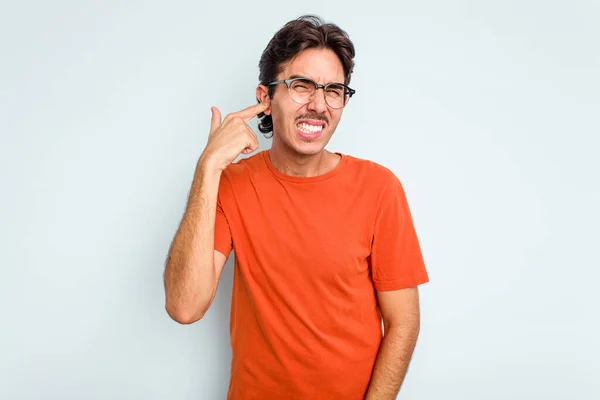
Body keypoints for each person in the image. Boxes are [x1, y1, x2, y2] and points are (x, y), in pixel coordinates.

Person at [163, 15, 429, 400]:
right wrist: (208, 167)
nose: (318, 105)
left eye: (333, 90)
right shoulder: (231, 185)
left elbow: (403, 323)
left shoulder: (379, 188)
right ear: (265, 98)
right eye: (301, 86)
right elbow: (184, 306)